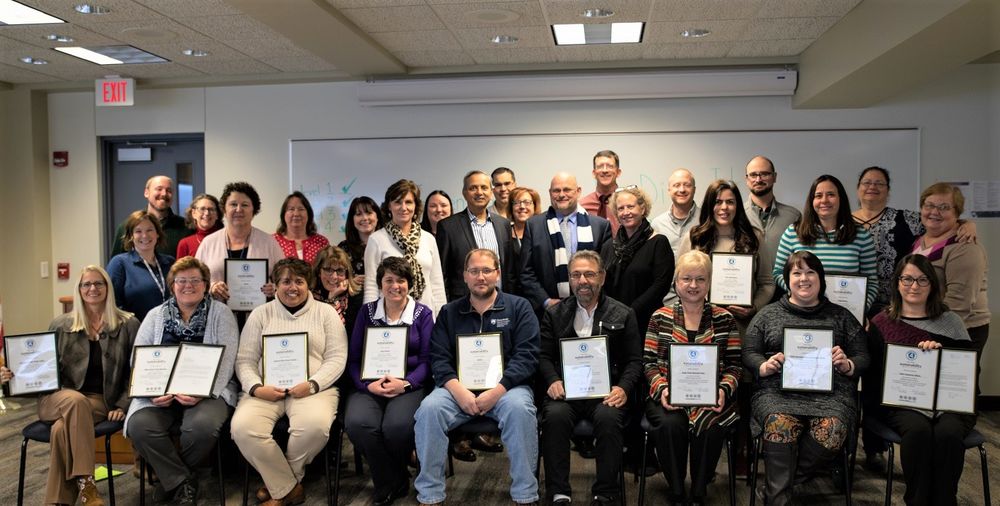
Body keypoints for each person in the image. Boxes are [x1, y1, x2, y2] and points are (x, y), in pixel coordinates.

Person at [1, 266, 138, 506]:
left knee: (60, 429)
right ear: (79, 290)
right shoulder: (61, 324)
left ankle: (57, 501)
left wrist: (122, 403)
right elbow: (42, 367)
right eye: (86, 284)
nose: (92, 289)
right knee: (74, 400)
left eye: (98, 283)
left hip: (98, 400)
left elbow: (136, 370)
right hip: (55, 397)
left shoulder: (128, 324)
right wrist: (12, 376)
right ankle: (87, 485)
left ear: (108, 288)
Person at [413, 249, 540, 506]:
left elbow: (527, 355)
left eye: (486, 270)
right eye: (474, 271)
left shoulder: (519, 307)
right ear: (465, 276)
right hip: (458, 389)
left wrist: (497, 392)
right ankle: (430, 495)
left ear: (498, 274)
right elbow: (439, 356)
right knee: (429, 409)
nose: (480, 277)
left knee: (520, 409)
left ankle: (525, 494)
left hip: (506, 390)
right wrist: (458, 391)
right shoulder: (450, 312)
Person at [743, 251, 869, 506]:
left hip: (831, 395)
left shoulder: (841, 316)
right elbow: (749, 351)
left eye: (810, 272)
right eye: (797, 273)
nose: (804, 278)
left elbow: (863, 355)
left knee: (833, 429)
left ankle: (775, 490)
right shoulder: (768, 314)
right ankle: (778, 498)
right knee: (780, 423)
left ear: (820, 279)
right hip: (777, 393)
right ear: (787, 279)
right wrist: (763, 365)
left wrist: (848, 364)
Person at [231, 258, 348, 506]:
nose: (292, 287)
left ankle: (280, 486)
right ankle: (289, 488)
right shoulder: (260, 314)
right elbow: (244, 360)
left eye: (299, 281)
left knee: (315, 427)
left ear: (309, 284)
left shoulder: (326, 313)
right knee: (242, 428)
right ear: (275, 285)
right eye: (285, 281)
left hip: (313, 389)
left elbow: (337, 358)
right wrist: (255, 387)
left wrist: (313, 384)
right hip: (265, 389)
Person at [124, 257, 239, 504]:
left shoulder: (221, 314)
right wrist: (152, 392)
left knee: (202, 428)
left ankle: (171, 479)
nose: (188, 285)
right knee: (139, 426)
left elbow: (227, 362)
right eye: (181, 280)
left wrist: (202, 393)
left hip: (208, 393)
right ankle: (182, 480)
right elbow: (138, 360)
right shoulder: (155, 315)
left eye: (195, 280)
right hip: (160, 394)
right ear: (172, 284)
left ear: (206, 284)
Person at [864, 254, 976, 506]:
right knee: (918, 431)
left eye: (922, 280)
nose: (914, 286)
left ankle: (946, 500)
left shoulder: (951, 323)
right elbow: (873, 376)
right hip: (902, 403)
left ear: (932, 285)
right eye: (907, 279)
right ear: (897, 283)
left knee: (948, 433)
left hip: (950, 403)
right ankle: (917, 500)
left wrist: (942, 351)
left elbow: (969, 370)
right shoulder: (882, 323)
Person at [539, 251, 641, 506]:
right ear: (570, 279)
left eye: (589, 274)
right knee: (554, 417)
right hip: (566, 391)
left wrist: (623, 388)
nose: (582, 280)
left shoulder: (623, 314)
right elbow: (542, 356)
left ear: (602, 277)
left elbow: (634, 361)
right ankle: (558, 490)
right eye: (576, 275)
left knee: (609, 419)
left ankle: (606, 491)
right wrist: (552, 379)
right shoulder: (554, 314)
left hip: (605, 392)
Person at [643, 251, 741, 505]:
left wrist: (723, 390)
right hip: (667, 395)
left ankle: (699, 490)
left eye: (700, 279)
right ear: (676, 282)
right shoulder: (659, 317)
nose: (693, 285)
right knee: (670, 425)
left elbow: (734, 366)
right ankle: (676, 489)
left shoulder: (724, 319)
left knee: (711, 424)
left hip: (712, 396)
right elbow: (649, 363)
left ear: (709, 283)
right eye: (687, 278)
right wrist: (662, 389)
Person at [345, 257, 434, 506]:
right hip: (370, 384)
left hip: (408, 384)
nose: (395, 286)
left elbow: (428, 361)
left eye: (401, 280)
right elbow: (353, 360)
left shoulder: (422, 314)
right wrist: (366, 385)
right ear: (380, 284)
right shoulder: (367, 313)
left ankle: (391, 480)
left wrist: (405, 384)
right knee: (358, 423)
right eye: (389, 280)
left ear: (410, 284)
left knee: (396, 428)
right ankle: (391, 480)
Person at [851, 167, 976, 314]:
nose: (872, 186)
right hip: (854, 302)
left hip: (898, 307)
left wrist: (967, 224)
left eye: (879, 183)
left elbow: (938, 220)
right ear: (858, 188)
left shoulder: (908, 220)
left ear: (888, 190)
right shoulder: (842, 222)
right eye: (867, 182)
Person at [911, 183, 989, 372]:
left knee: (953, 390)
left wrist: (936, 335)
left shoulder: (965, 247)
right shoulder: (919, 241)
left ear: (957, 212)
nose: (934, 212)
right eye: (929, 205)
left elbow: (959, 301)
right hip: (929, 325)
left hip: (959, 329)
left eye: (944, 207)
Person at [772, 174, 878, 311]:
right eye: (818, 195)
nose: (824, 200)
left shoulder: (861, 236)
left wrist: (859, 311)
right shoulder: (793, 233)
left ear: (841, 199)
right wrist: (801, 293)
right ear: (811, 201)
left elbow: (872, 283)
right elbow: (778, 273)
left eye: (831, 194)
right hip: (802, 311)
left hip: (845, 315)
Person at [678, 179, 774, 322]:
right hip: (702, 322)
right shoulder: (694, 238)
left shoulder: (754, 237)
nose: (724, 207)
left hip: (742, 324)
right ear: (709, 206)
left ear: (738, 206)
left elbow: (767, 282)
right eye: (718, 202)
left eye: (730, 202)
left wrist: (754, 307)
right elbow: (679, 281)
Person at [520, 172, 612, 313]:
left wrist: (591, 300)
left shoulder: (600, 226)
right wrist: (546, 302)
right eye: (556, 190)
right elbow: (526, 272)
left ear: (578, 191)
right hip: (548, 312)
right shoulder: (533, 225)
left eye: (567, 189)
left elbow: (605, 269)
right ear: (550, 193)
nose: (562, 194)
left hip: (592, 308)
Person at [195, 181, 284, 326]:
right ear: (224, 209)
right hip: (218, 319)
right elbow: (195, 280)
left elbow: (284, 278)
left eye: (245, 205)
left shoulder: (269, 242)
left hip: (261, 319)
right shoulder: (208, 243)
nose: (238, 209)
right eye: (233, 204)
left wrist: (274, 288)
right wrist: (211, 287)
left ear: (254, 210)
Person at [364, 179, 447, 316]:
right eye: (397, 202)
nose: (403, 207)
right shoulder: (377, 240)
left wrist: (442, 319)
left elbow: (437, 285)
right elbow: (371, 286)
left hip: (425, 316)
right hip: (389, 316)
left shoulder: (428, 239)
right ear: (389, 206)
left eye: (408, 202)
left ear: (416, 206)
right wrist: (371, 320)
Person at [598, 185, 672, 339]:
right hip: (613, 322)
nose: (626, 212)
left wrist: (630, 311)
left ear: (643, 208)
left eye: (631, 206)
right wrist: (614, 312)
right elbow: (601, 283)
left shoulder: (658, 242)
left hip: (647, 321)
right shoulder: (608, 246)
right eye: (621, 208)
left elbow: (661, 284)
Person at [436, 171, 513, 301]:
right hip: (463, 306)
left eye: (484, 187)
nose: (479, 192)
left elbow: (510, 271)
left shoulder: (503, 224)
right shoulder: (447, 226)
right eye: (473, 188)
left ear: (491, 191)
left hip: (501, 301)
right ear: (464, 193)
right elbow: (442, 273)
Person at [107, 210, 176, 321]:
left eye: (150, 230)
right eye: (138, 231)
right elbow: (112, 303)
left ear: (157, 233)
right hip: (136, 332)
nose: (144, 235)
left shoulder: (170, 262)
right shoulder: (119, 263)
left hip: (169, 330)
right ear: (131, 236)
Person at [742, 156, 801, 279]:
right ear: (746, 179)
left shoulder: (793, 216)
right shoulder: (736, 215)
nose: (758, 179)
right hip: (746, 289)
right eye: (753, 175)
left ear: (774, 177)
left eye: (764, 174)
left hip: (784, 290)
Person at [111, 175, 191, 256]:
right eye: (159, 189)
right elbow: (115, 264)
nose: (164, 194)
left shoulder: (186, 227)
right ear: (146, 193)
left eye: (169, 190)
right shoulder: (127, 227)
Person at [311, 245, 364, 335]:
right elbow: (317, 330)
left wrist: (332, 298)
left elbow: (344, 333)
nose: (334, 277)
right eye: (328, 270)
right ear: (318, 271)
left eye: (340, 270)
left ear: (347, 273)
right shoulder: (309, 295)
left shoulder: (355, 296)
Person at [651, 168, 699, 258]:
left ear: (694, 189)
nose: (682, 190)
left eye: (687, 185)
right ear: (669, 190)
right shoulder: (657, 224)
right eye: (676, 185)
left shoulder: (706, 220)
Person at [273, 191, 330, 264]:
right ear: (283, 215)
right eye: (291, 209)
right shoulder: (273, 242)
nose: (296, 214)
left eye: (301, 209)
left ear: (309, 214)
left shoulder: (321, 242)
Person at [505, 186, 542, 297]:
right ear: (511, 208)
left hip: (539, 295)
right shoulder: (503, 232)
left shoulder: (542, 232)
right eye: (516, 203)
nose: (522, 207)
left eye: (527, 202)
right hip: (512, 294)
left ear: (535, 206)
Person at [339, 196, 383, 287]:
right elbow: (333, 281)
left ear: (377, 217)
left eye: (369, 213)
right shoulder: (343, 249)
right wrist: (350, 282)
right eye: (358, 214)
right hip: (354, 299)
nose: (365, 218)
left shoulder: (388, 244)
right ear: (352, 219)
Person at [580, 150, 622, 233]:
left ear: (618, 172)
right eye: (600, 166)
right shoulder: (582, 206)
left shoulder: (628, 203)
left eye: (610, 166)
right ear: (594, 173)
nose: (605, 170)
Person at [175, 193, 223, 259]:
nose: (207, 213)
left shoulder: (226, 240)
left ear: (217, 215)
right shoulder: (185, 244)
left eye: (211, 209)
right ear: (194, 213)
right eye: (202, 209)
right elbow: (180, 269)